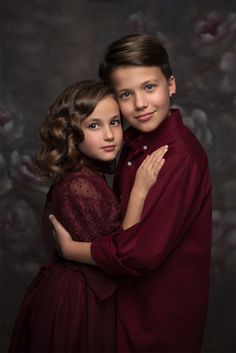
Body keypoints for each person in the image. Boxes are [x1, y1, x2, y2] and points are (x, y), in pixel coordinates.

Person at [50, 33, 212, 353]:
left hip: (156, 317)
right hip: (121, 306)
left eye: (149, 87)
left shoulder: (177, 159)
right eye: (126, 94)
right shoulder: (132, 140)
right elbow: (120, 220)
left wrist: (73, 251)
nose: (139, 104)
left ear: (171, 85)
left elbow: (138, 252)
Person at [8, 80, 167, 353]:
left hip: (85, 293)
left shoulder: (89, 175)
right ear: (72, 133)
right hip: (75, 300)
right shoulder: (78, 185)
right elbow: (120, 251)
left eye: (115, 122)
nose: (109, 135)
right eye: (94, 125)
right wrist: (140, 188)